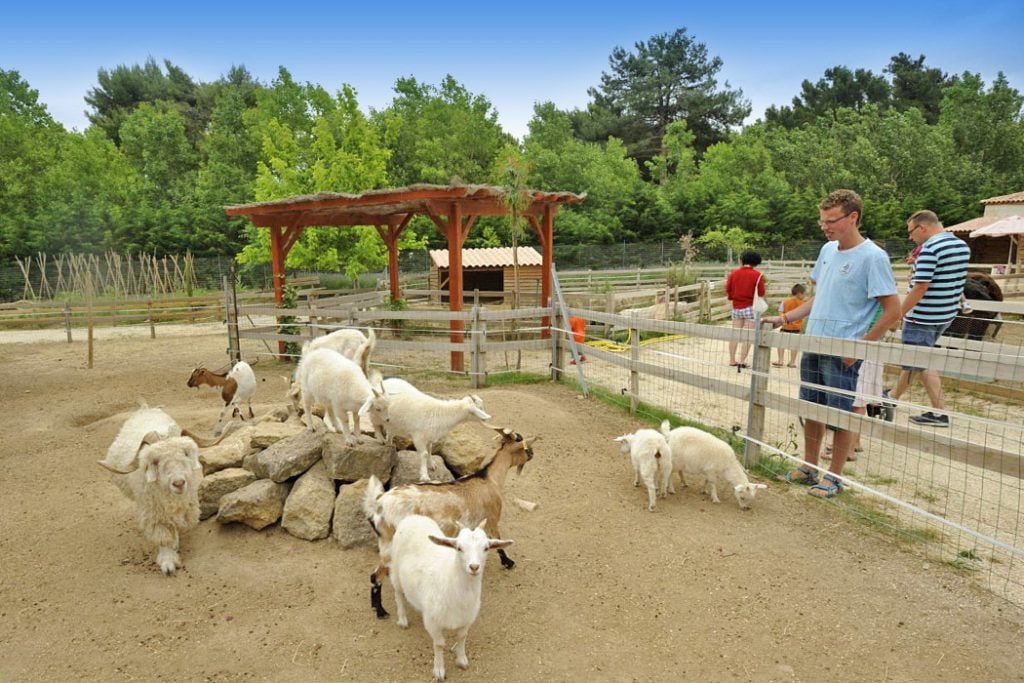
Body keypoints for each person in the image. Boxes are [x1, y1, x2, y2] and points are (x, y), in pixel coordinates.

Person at [763, 189, 900, 498]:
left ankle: (834, 476)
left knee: (840, 413)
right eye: (822, 220)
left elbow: (893, 308)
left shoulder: (873, 257)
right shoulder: (827, 250)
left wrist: (862, 346)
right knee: (812, 407)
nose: (825, 226)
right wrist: (784, 318)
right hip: (814, 342)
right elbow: (818, 297)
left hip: (844, 349)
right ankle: (809, 465)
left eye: (831, 220)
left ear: (853, 217)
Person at [883, 210, 970, 427]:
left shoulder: (930, 249)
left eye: (911, 232)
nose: (911, 237)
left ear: (923, 227)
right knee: (915, 360)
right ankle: (892, 397)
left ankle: (939, 413)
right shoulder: (961, 246)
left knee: (922, 361)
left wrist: (898, 314)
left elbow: (920, 286)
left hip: (922, 316)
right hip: (945, 314)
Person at [725, 250, 765, 368]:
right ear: (756, 262)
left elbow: (728, 289)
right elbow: (761, 293)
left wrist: (734, 297)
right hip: (751, 307)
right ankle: (742, 361)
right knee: (748, 336)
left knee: (735, 334)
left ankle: (732, 360)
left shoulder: (734, 273)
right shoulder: (758, 275)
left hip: (736, 307)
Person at [773, 283, 806, 368]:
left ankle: (780, 360)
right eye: (804, 294)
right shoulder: (803, 304)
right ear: (799, 293)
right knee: (794, 345)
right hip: (796, 328)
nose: (804, 296)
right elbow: (803, 315)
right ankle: (792, 362)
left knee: (781, 343)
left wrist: (783, 319)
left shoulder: (785, 301)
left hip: (785, 326)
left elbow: (780, 311)